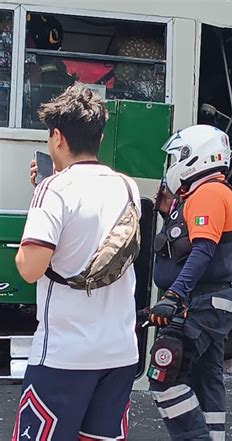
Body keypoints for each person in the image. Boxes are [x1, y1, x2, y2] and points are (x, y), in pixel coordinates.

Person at [12, 85, 141, 440]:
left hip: (64, 355)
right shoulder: (127, 187)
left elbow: (30, 268)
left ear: (56, 137)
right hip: (119, 353)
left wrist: (40, 199)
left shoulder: (54, 190)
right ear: (98, 136)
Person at [148, 125, 232, 440]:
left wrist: (174, 295)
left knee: (165, 375)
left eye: (177, 156)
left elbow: (202, 251)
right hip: (205, 303)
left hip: (198, 305)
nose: (172, 163)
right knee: (206, 377)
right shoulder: (203, 193)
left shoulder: (209, 193)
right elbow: (183, 247)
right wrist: (167, 213)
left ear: (195, 157)